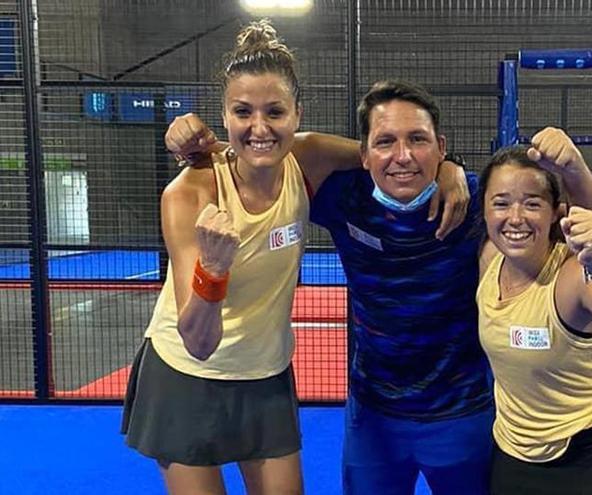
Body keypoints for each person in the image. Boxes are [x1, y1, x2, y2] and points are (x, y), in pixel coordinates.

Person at [167, 79, 592, 495]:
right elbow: (261, 157)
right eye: (385, 142)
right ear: (363, 154)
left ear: (440, 147)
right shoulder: (342, 196)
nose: (402, 156)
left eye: (418, 140)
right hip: (374, 419)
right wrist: (194, 144)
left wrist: (574, 170)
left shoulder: (481, 201)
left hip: (463, 415)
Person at [121, 22, 469, 495]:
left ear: (297, 115)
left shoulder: (306, 157)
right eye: (243, 112)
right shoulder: (191, 193)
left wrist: (450, 169)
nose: (259, 127)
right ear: (223, 117)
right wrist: (213, 270)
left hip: (265, 375)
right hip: (186, 374)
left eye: (275, 112)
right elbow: (197, 340)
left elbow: (387, 157)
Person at [477, 146, 592, 495]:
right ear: (485, 211)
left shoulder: (573, 276)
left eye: (532, 203)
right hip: (513, 454)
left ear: (555, 213)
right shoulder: (489, 257)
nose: (515, 217)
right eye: (501, 203)